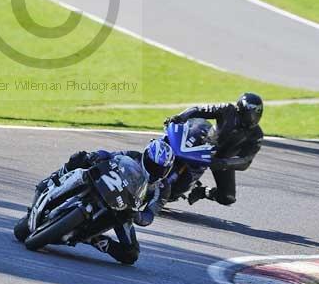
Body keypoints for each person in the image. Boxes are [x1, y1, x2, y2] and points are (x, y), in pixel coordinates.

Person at [14, 140, 174, 265]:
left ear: (167, 171)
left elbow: (150, 214)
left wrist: (138, 216)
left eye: (160, 169)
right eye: (153, 165)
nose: (155, 171)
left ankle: (92, 238)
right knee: (80, 158)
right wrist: (99, 155)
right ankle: (50, 183)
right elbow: (112, 157)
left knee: (130, 254)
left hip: (125, 209)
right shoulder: (133, 156)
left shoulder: (163, 188)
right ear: (146, 155)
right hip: (107, 185)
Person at [165, 92, 263, 207]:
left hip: (222, 160)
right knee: (175, 144)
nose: (252, 117)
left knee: (228, 197)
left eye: (257, 112)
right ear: (240, 109)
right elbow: (201, 109)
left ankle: (202, 191)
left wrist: (224, 163)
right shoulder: (228, 110)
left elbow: (246, 160)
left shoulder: (257, 135)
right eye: (250, 112)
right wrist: (181, 116)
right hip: (205, 142)